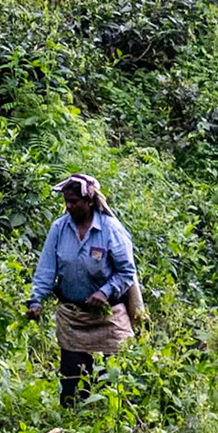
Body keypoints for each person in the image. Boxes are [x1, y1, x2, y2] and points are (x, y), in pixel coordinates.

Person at [27, 173, 145, 406]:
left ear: (90, 201)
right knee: (72, 388)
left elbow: (126, 272)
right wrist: (35, 300)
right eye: (67, 202)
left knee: (114, 386)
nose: (69, 206)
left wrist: (105, 292)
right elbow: (46, 269)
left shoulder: (111, 230)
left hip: (108, 320)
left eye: (74, 202)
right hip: (73, 319)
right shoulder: (59, 229)